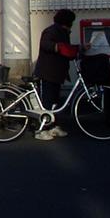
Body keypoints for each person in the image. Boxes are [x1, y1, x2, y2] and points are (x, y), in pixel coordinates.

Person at [33, 8, 79, 140]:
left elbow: (67, 50)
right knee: (47, 102)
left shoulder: (63, 32)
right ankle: (41, 130)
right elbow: (46, 44)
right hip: (48, 72)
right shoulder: (51, 31)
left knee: (54, 102)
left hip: (57, 73)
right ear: (67, 21)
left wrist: (78, 48)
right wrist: (59, 47)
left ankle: (53, 126)